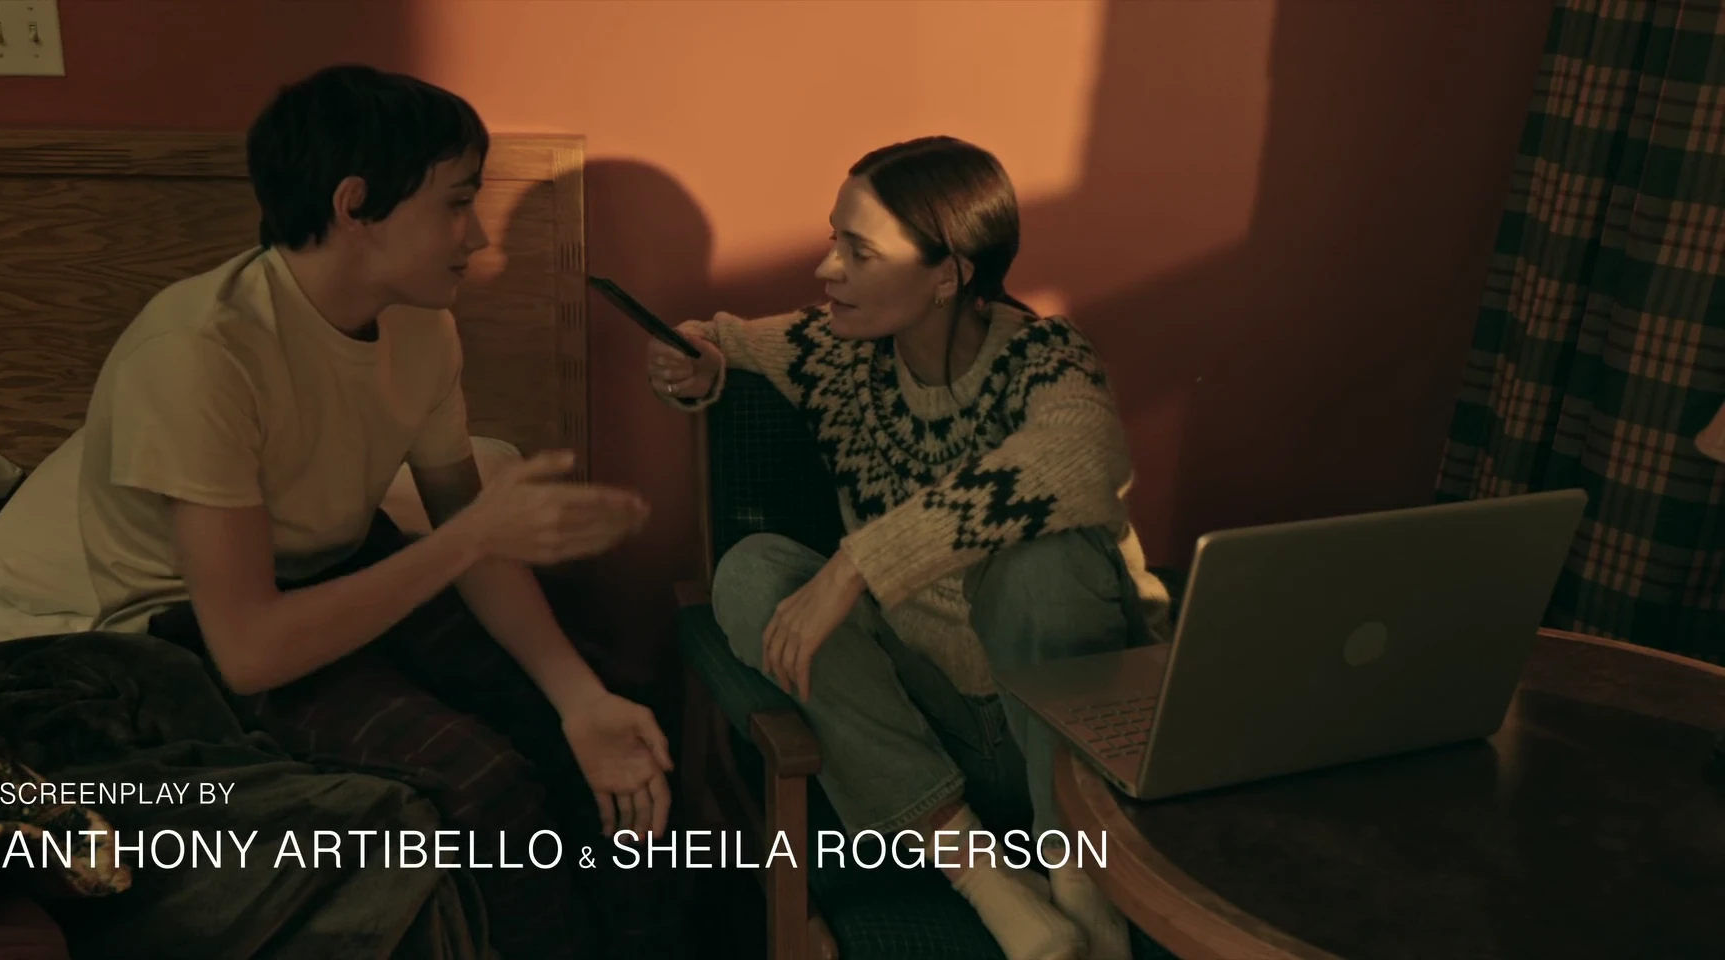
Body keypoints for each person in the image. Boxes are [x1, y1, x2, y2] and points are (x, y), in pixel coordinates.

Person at [78, 64, 680, 959]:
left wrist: (580, 699)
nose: (477, 235)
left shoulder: (418, 321)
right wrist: (468, 538)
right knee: (477, 786)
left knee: (612, 706)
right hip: (194, 633)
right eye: (457, 203)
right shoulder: (200, 352)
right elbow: (248, 649)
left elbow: (469, 533)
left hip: (348, 563)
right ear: (355, 204)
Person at [647, 136, 1170, 960]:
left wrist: (861, 565)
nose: (826, 268)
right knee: (749, 574)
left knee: (1042, 562)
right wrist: (700, 362)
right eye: (834, 240)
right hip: (924, 735)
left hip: (1068, 735)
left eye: (859, 252)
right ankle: (989, 883)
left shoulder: (1046, 356)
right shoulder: (835, 353)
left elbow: (1080, 459)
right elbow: (723, 341)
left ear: (949, 274)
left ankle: (1083, 885)